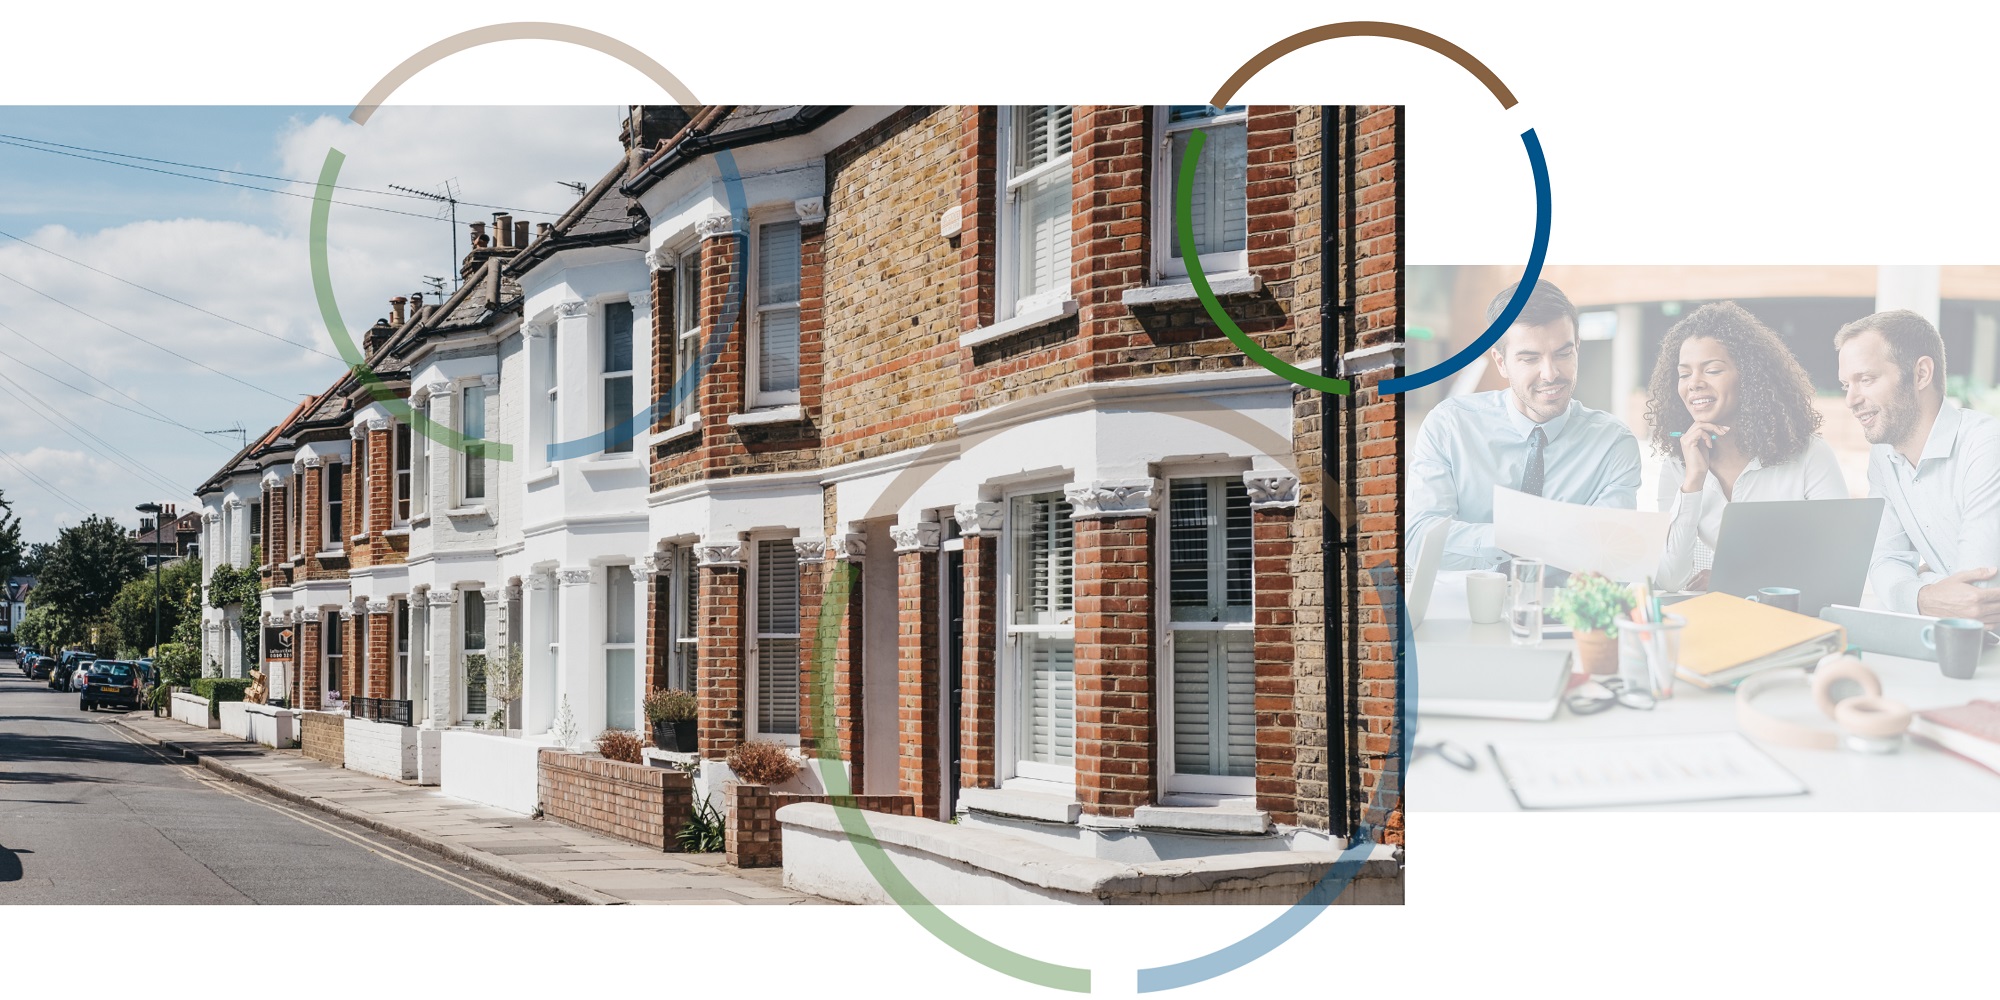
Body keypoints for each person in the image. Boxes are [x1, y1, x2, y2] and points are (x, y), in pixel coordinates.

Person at [1409, 279, 1642, 570]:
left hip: (1563, 611)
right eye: (1530, 358)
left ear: (1577, 348)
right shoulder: (1449, 427)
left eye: (1563, 353)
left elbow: (1611, 557)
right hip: (1465, 607)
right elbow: (1419, 540)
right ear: (1501, 362)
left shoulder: (1613, 444)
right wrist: (1518, 537)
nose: (1550, 373)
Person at [1646, 302, 1847, 590]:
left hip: (1792, 620)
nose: (1694, 384)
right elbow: (1670, 578)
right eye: (1684, 374)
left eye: (1712, 370)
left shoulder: (1810, 456)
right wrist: (1693, 483)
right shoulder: (1679, 466)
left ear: (1750, 377)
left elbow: (1838, 564)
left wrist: (1733, 582)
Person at [1835, 310, 2000, 624]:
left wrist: (1914, 584)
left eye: (1866, 379)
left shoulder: (1986, 445)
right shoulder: (1884, 457)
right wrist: (1925, 594)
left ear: (1921, 373)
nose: (1851, 399)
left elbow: (1978, 595)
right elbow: (1883, 562)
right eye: (1846, 385)